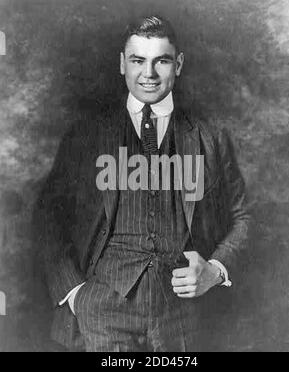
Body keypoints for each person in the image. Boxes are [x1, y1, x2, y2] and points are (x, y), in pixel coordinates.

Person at [33, 15, 250, 352]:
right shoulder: (86, 135)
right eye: (137, 60)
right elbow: (48, 215)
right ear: (122, 64)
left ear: (178, 64)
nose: (148, 74)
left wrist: (216, 270)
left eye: (161, 61)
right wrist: (75, 293)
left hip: (185, 317)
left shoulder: (210, 137)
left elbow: (243, 218)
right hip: (101, 312)